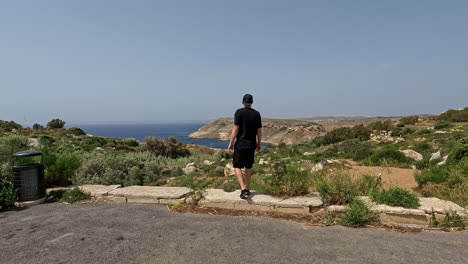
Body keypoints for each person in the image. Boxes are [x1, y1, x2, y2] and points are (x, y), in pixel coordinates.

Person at [227, 94, 262, 199]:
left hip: (241, 144)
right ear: (252, 102)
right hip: (251, 144)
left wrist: (231, 143)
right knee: (248, 166)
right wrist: (259, 143)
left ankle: (243, 189)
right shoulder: (257, 114)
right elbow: (259, 131)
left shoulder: (239, 112)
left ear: (243, 102)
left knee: (237, 166)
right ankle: (247, 188)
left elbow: (235, 128)